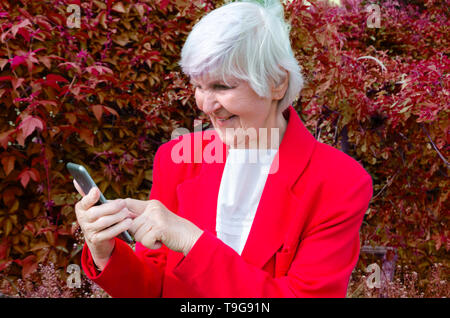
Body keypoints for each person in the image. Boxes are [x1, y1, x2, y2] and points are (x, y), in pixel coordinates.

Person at [74, 0, 373, 297]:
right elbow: (152, 288)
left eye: (222, 87)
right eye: (199, 86)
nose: (206, 104)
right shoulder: (177, 159)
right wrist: (105, 251)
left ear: (277, 83)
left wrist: (191, 241)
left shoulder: (339, 183)